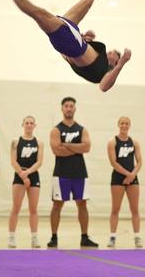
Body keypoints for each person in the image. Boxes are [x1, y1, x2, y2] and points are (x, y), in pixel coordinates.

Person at [0, 0, 141, 91]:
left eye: (114, 54)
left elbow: (103, 87)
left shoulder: (107, 72)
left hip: (70, 43)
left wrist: (122, 63)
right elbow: (84, 52)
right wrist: (87, 38)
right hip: (72, 39)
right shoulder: (99, 59)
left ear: (115, 62)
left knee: (38, 13)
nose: (111, 53)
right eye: (112, 51)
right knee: (88, 0)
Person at [47, 97, 98, 248]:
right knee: (57, 205)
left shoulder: (82, 129)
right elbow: (57, 150)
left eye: (71, 106)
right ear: (62, 109)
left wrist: (67, 145)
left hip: (79, 173)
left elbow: (87, 147)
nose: (69, 108)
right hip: (61, 173)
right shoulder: (56, 130)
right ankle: (54, 237)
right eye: (66, 106)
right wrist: (77, 148)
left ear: (75, 109)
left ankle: (84, 237)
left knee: (82, 205)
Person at [8, 115, 43, 249]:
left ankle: (34, 237)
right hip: (19, 175)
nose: (29, 125)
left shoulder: (39, 143)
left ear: (35, 125)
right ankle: (11, 236)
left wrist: (28, 174)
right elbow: (13, 160)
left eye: (31, 123)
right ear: (22, 125)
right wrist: (22, 176)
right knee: (16, 207)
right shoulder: (15, 142)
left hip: (33, 175)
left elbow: (39, 162)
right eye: (26, 123)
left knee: (33, 208)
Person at [107, 117, 143, 248]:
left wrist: (132, 174)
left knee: (135, 209)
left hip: (133, 178)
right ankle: (112, 237)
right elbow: (113, 162)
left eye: (126, 123)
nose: (124, 125)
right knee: (115, 209)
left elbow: (139, 161)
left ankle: (137, 236)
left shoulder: (134, 142)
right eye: (122, 123)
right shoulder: (112, 142)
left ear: (129, 125)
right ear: (118, 125)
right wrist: (127, 174)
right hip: (118, 178)